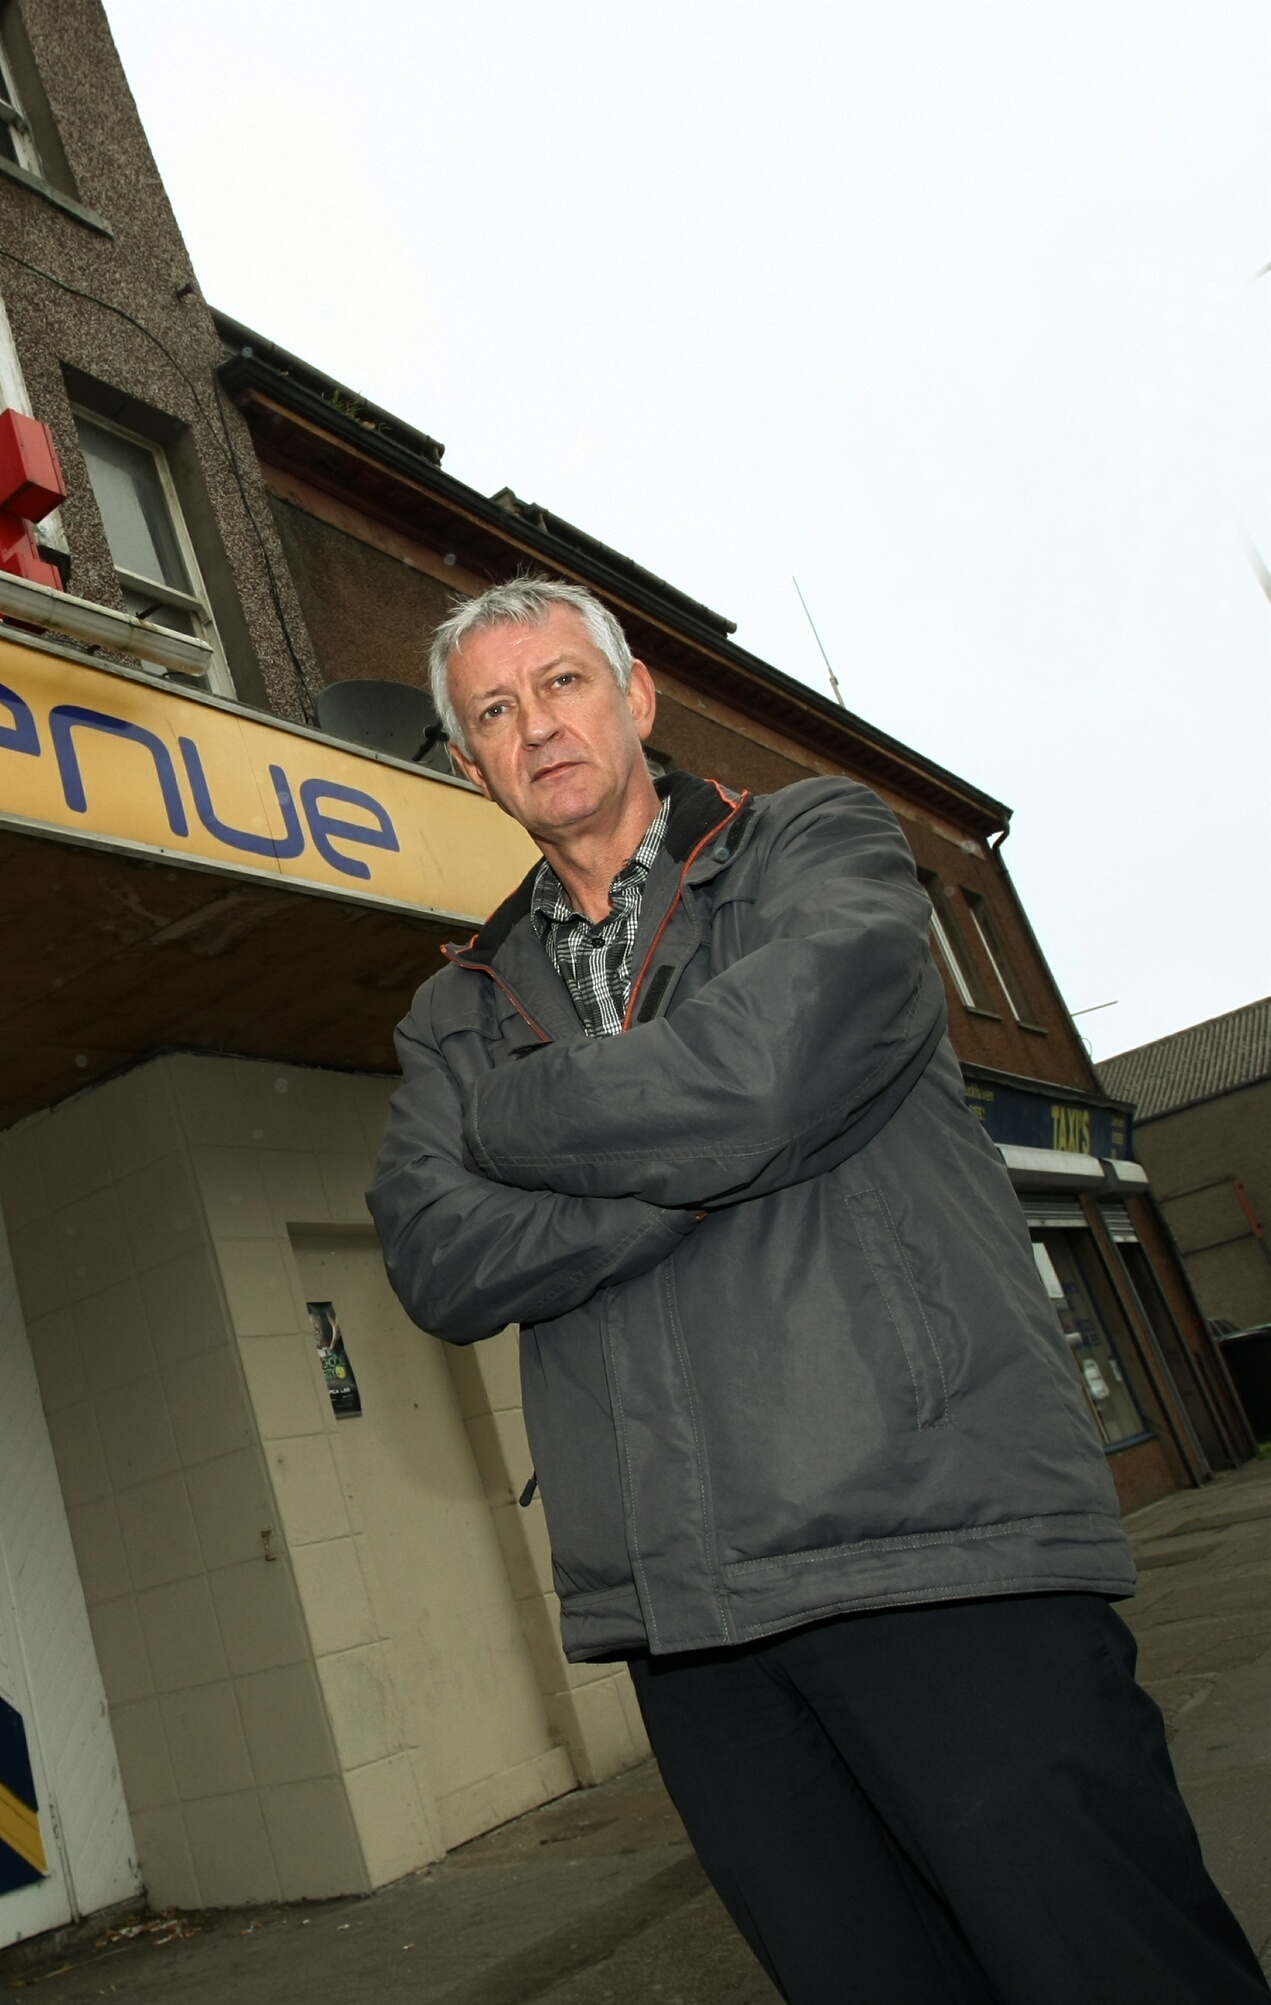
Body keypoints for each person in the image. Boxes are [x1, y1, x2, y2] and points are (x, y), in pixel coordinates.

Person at [366, 575, 1265, 2004]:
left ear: (636, 699)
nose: (534, 725)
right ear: (471, 765)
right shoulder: (459, 1004)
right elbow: (438, 1252)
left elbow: (771, 1070)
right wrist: (709, 1162)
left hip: (934, 1543)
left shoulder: (809, 842)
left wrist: (529, 1126)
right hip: (687, 1621)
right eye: (492, 711)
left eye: (561, 683)